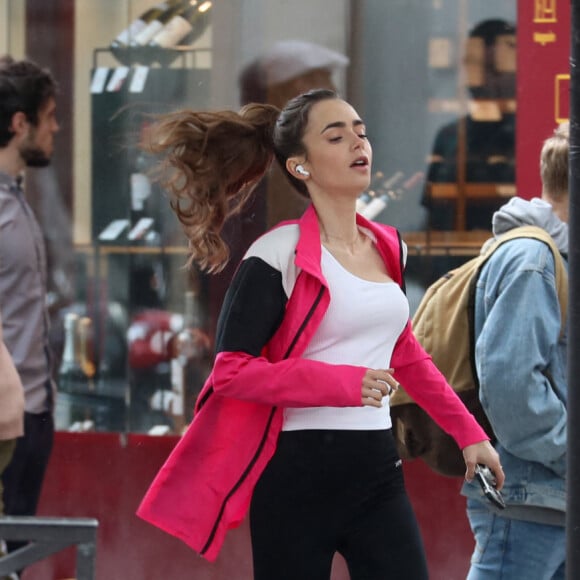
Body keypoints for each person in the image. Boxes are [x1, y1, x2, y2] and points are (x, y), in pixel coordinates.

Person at [137, 88, 503, 579]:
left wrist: (469, 435)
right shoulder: (277, 253)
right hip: (296, 476)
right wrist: (344, 383)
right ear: (300, 166)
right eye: (336, 136)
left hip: (377, 470)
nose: (358, 143)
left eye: (361, 131)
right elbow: (230, 372)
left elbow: (406, 354)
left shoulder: (388, 245)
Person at [461, 122, 569, 579]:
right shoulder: (533, 259)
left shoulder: (555, 258)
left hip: (552, 499)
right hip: (529, 498)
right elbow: (510, 387)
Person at [0, 56, 59, 555]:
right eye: (50, 116)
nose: (56, 127)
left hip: (34, 411)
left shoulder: (17, 197)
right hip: (5, 420)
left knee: (15, 557)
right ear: (21, 125)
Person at [423, 19, 516, 231]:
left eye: (496, 71)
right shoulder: (450, 137)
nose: (482, 81)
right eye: (476, 69)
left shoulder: (532, 137)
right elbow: (433, 218)